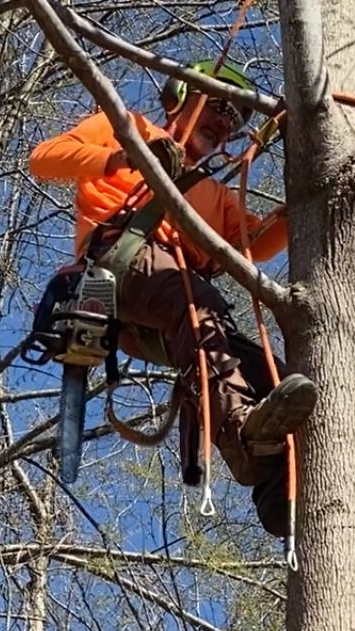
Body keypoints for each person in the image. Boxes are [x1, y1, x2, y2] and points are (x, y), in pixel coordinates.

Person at [28, 63, 315, 537]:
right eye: (218, 106)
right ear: (181, 96)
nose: (225, 123)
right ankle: (241, 436)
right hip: (125, 264)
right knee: (201, 309)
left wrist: (302, 205)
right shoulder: (129, 129)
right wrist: (128, 159)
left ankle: (276, 486)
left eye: (237, 119)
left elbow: (255, 240)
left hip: (175, 317)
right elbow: (46, 157)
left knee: (271, 373)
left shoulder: (216, 192)